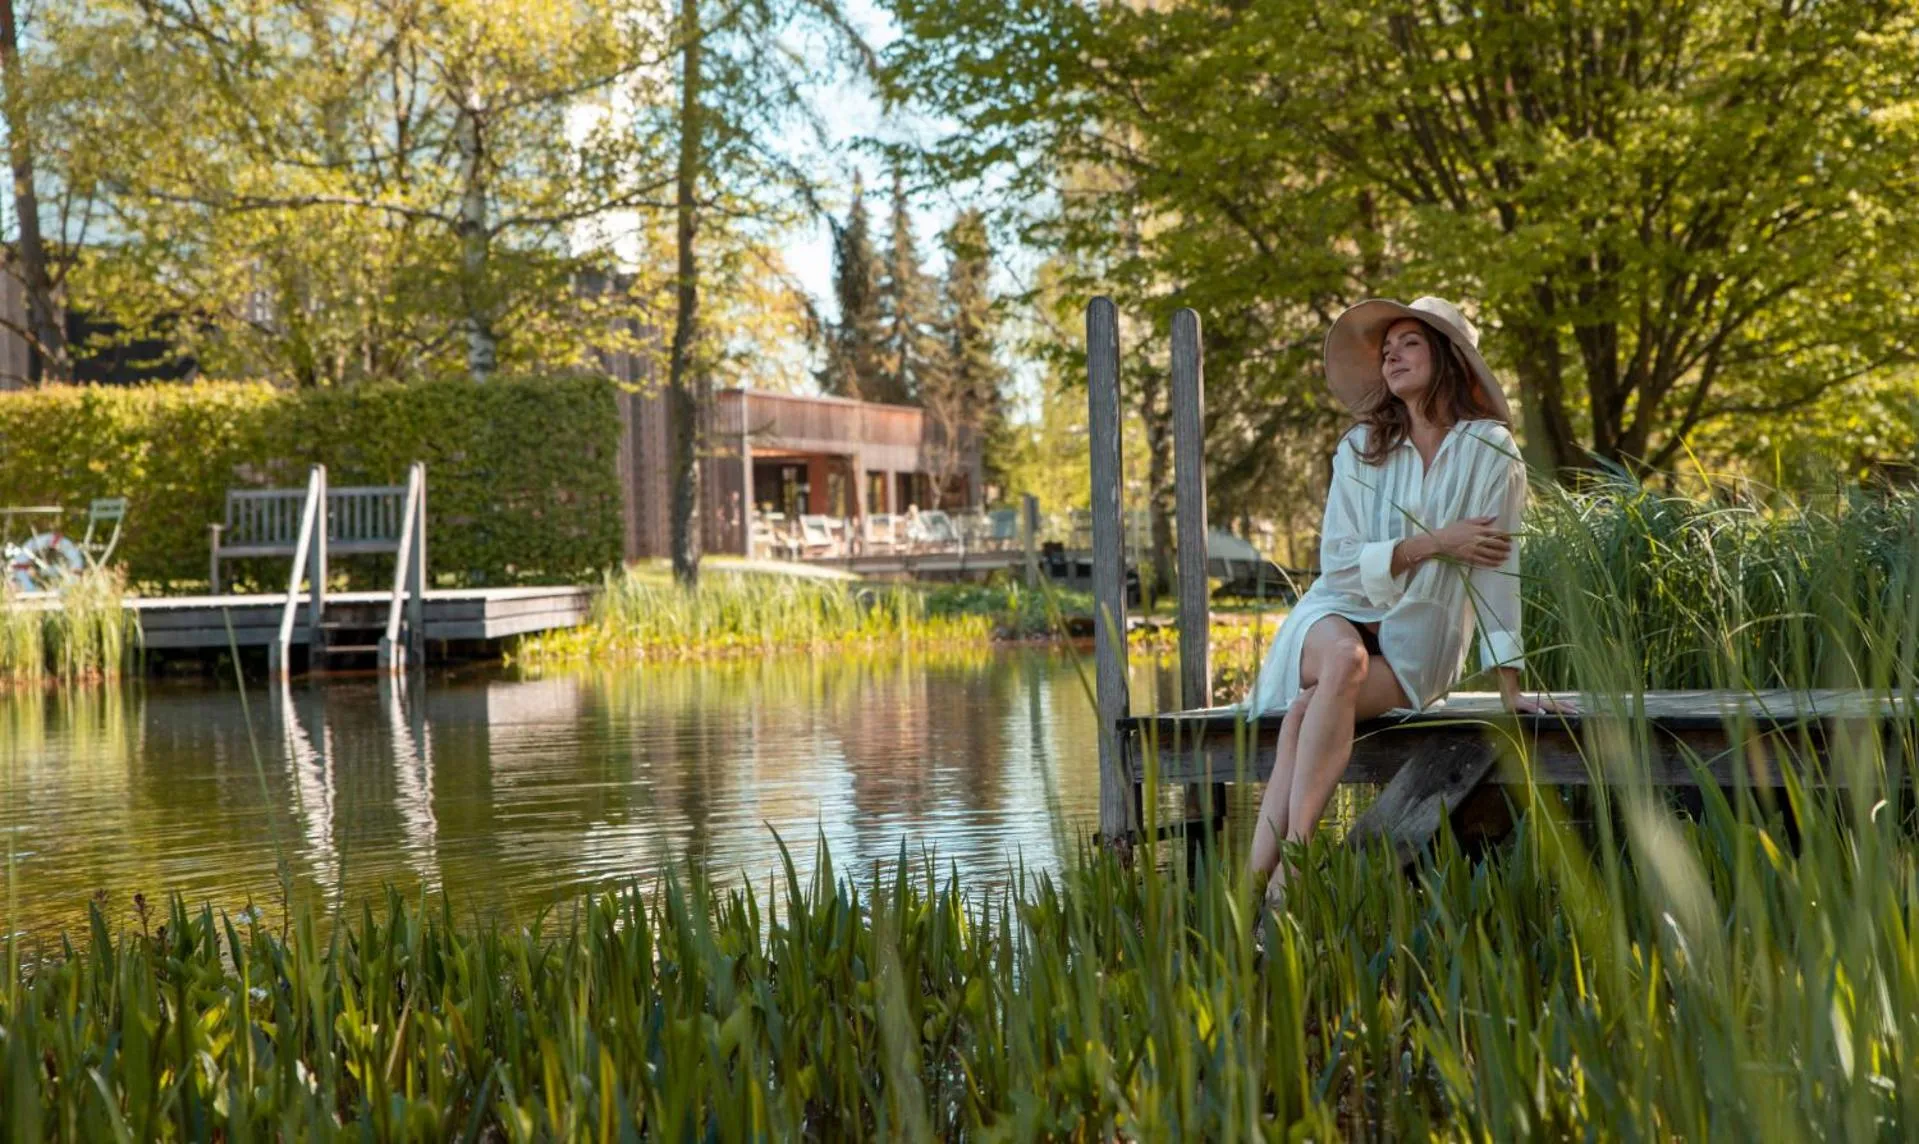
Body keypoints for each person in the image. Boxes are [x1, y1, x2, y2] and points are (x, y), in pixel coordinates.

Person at [1244, 296, 1578, 906]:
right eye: (1386, 348)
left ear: (1448, 357)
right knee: (1341, 663)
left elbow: (1501, 570)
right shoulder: (1360, 447)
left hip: (1416, 644)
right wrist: (1434, 543)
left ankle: (1246, 889)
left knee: (1308, 711)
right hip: (1336, 614)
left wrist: (1511, 685)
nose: (1393, 354)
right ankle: (1293, 868)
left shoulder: (1491, 449)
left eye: (1410, 343)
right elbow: (1338, 560)